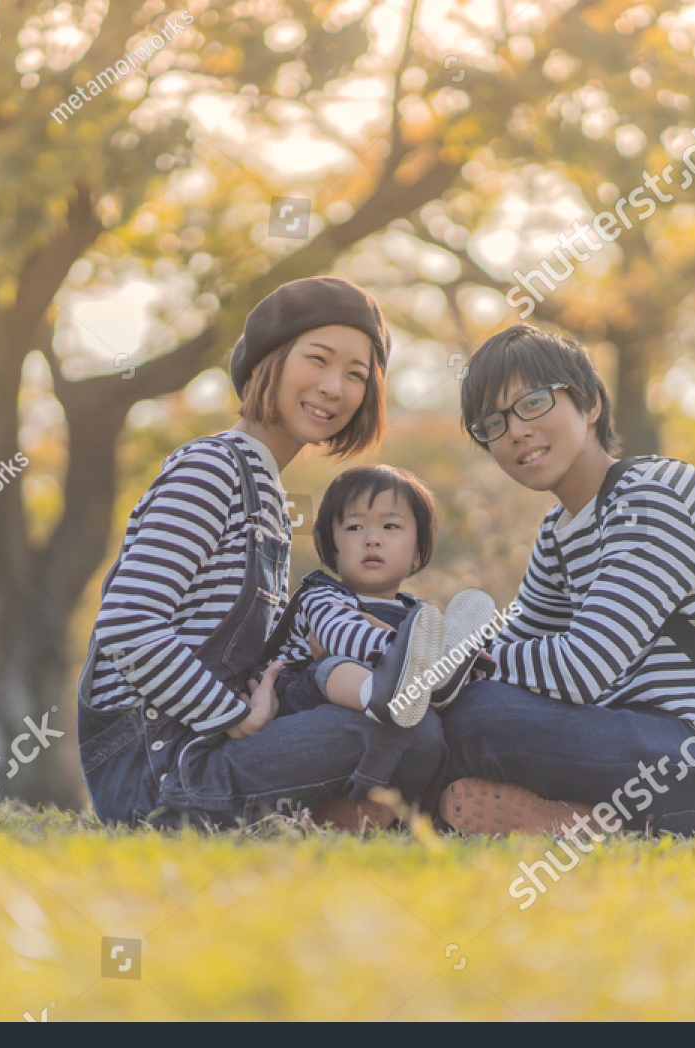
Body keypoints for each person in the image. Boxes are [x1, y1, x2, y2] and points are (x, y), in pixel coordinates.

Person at [76, 276, 447, 831]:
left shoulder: (266, 494)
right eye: (317, 360)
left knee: (413, 718)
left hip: (209, 746)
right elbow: (128, 624)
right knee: (392, 729)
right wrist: (232, 715)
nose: (333, 387)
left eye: (356, 375)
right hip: (159, 770)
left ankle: (336, 818)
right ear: (266, 361)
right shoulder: (210, 469)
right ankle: (327, 818)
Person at [439, 324, 695, 837]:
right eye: (492, 423)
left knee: (481, 716)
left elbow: (584, 668)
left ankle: (581, 820)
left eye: (533, 402)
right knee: (455, 712)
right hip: (631, 743)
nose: (515, 430)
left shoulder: (654, 495)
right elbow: (518, 645)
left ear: (590, 405)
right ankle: (571, 818)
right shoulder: (558, 533)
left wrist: (462, 661)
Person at [264, 463, 497, 728]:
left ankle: (439, 682)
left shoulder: (418, 612)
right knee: (332, 665)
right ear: (332, 549)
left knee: (453, 665)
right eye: (354, 527)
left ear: (417, 553)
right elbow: (338, 635)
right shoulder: (322, 596)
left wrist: (467, 663)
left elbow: (425, 646)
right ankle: (379, 694)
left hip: (400, 700)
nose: (372, 539)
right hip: (305, 708)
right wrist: (413, 654)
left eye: (390, 526)